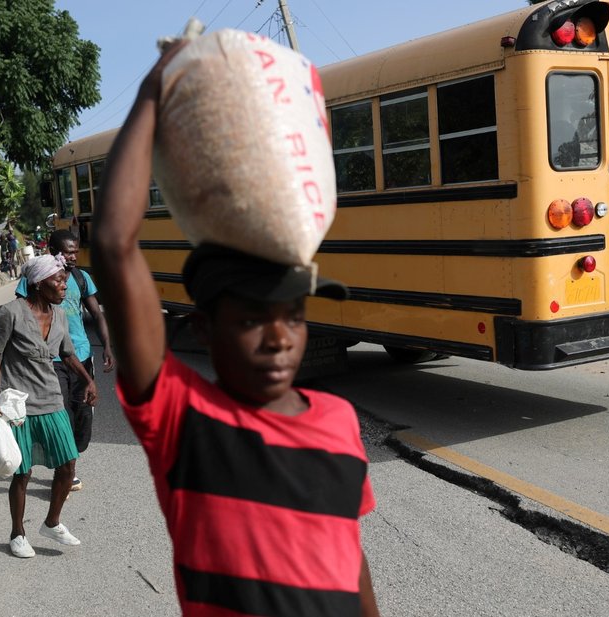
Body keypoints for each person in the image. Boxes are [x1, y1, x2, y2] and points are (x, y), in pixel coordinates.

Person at [91, 44, 380, 617]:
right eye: (252, 319)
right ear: (203, 328)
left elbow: (349, 551)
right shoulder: (180, 416)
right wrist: (154, 88)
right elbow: (112, 246)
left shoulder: (340, 422)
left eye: (293, 317)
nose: (279, 339)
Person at [0, 254, 98, 558]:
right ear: (37, 284)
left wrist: (88, 379)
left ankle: (51, 522)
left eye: (64, 280)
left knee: (68, 463)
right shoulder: (10, 313)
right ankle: (17, 533)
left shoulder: (60, 314)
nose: (64, 285)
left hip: (51, 398)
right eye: (58, 280)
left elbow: (68, 353)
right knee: (22, 472)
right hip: (19, 406)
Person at [15, 229, 116, 491]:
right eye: (67, 251)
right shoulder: (36, 278)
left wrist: (107, 345)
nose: (73, 256)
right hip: (52, 360)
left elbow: (97, 313)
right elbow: (20, 314)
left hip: (81, 356)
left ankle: (71, 458)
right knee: (63, 417)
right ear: (52, 251)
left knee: (83, 418)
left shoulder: (82, 278)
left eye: (75, 251)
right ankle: (66, 472)